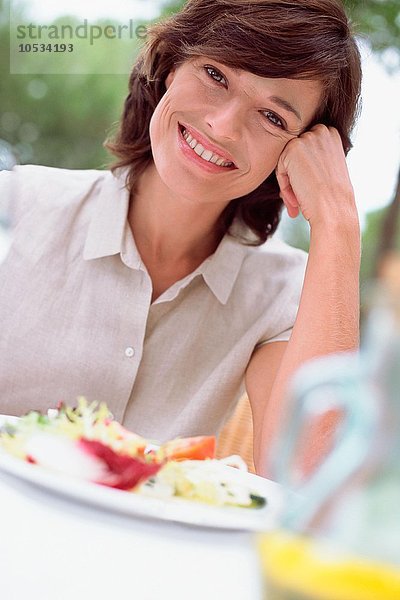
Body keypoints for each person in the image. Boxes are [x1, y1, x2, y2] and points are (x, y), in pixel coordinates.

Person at [0, 0, 361, 475]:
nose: (223, 125)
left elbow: (308, 482)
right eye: (215, 75)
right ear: (171, 65)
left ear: (297, 153)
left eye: (273, 118)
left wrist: (338, 228)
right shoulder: (17, 205)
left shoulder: (282, 293)